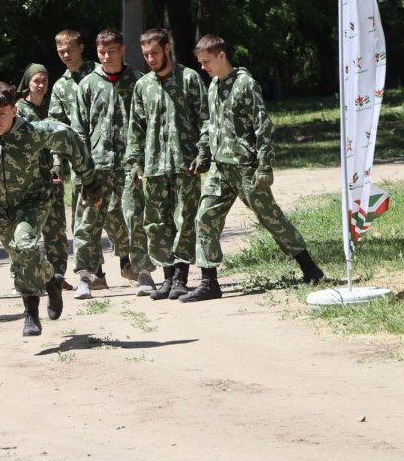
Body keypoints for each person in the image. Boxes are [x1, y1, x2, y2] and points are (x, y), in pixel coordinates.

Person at [0, 82, 102, 336]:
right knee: (20, 255)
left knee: (25, 245)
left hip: (33, 200)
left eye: (2, 114)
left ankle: (30, 313)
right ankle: (51, 281)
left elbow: (70, 139)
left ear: (14, 111)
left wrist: (90, 180)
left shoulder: (34, 133)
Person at [179, 34, 325, 302]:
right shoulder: (213, 86)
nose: (203, 67)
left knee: (271, 218)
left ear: (221, 55)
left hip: (246, 167)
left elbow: (263, 126)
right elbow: (211, 124)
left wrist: (265, 166)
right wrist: (203, 153)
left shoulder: (246, 84)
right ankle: (209, 282)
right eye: (200, 63)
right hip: (220, 168)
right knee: (205, 217)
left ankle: (310, 268)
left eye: (207, 61)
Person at [125, 28, 209, 300]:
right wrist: (135, 163)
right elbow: (135, 129)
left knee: (184, 220)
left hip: (185, 165)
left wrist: (203, 151)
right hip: (154, 166)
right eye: (146, 54)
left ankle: (181, 278)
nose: (150, 58)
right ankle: (167, 277)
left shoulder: (189, 79)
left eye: (155, 53)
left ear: (167, 49)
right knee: (156, 223)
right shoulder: (143, 86)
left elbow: (206, 119)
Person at [70, 28, 152, 299]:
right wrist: (82, 168)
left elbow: (146, 124)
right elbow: (78, 130)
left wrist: (142, 160)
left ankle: (142, 273)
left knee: (135, 217)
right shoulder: (88, 85)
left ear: (122, 50)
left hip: (131, 166)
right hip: (96, 166)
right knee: (88, 222)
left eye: (112, 51)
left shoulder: (138, 82)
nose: (106, 56)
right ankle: (85, 277)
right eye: (102, 52)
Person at [49, 29, 107, 289]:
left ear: (81, 47)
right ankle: (96, 273)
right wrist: (57, 162)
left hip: (107, 153)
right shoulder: (61, 85)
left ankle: (129, 262)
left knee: (117, 215)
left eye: (70, 50)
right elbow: (56, 127)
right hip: (79, 161)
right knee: (84, 217)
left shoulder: (100, 73)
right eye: (61, 51)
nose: (66, 55)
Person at [15, 63, 72, 290]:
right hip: (29, 181)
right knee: (27, 229)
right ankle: (23, 276)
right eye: (36, 81)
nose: (40, 85)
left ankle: (57, 276)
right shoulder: (18, 109)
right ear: (28, 82)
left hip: (53, 178)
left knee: (56, 228)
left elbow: (59, 138)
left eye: (44, 81)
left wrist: (57, 164)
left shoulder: (53, 107)